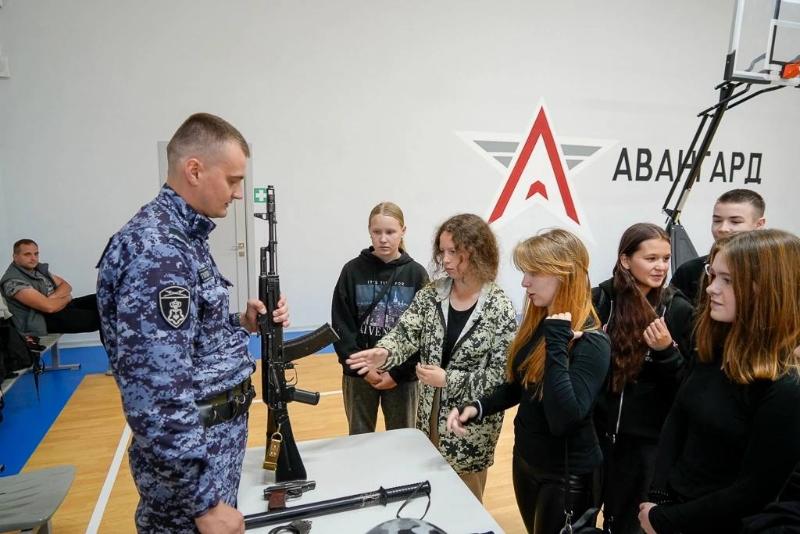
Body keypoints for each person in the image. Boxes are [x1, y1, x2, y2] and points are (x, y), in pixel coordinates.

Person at [96, 113, 289, 534]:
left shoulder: (185, 239)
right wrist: (203, 503)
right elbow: (157, 394)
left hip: (210, 452)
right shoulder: (159, 252)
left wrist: (241, 323)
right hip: (191, 478)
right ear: (195, 170)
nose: (239, 194)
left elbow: (188, 343)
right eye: (234, 180)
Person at [445, 228, 611, 534]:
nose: (524, 282)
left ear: (565, 275)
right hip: (526, 461)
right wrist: (478, 406)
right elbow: (521, 385)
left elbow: (564, 418)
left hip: (566, 476)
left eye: (534, 273)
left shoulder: (591, 342)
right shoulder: (540, 323)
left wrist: (558, 344)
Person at [638, 229, 800, 534]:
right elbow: (679, 418)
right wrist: (658, 498)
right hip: (673, 508)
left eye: (726, 280)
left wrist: (664, 520)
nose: (711, 289)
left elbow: (755, 492)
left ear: (764, 289)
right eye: (713, 276)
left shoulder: (786, 386)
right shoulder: (712, 349)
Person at [347, 213, 517, 502]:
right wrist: (384, 351)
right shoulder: (432, 294)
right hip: (428, 419)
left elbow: (500, 378)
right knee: (430, 499)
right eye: (443, 251)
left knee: (464, 505)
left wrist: (448, 380)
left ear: (476, 253)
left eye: (455, 252)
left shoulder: (499, 308)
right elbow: (406, 333)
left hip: (468, 430)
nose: (446, 260)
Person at [592, 223, 693, 534]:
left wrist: (666, 352)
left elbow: (688, 387)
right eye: (651, 259)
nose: (661, 267)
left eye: (665, 258)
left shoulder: (677, 308)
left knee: (627, 525)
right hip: (594, 437)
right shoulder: (600, 300)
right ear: (626, 261)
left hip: (645, 446)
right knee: (582, 518)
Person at [331, 201, 429, 435]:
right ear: (370, 232)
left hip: (401, 377)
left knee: (402, 437)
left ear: (403, 231)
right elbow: (341, 325)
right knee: (360, 436)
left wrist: (398, 373)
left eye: (390, 232)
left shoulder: (416, 274)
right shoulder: (352, 271)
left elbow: (423, 331)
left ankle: (400, 475)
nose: (383, 238)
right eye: (377, 232)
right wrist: (364, 369)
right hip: (359, 375)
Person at [670, 188, 765, 306]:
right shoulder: (690, 272)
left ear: (759, 224)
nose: (722, 228)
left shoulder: (775, 271)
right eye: (717, 220)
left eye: (735, 222)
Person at [1, 239, 100, 337]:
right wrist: (67, 298)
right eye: (27, 254)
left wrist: (52, 298)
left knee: (103, 299)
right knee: (100, 318)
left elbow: (66, 286)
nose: (33, 258)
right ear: (15, 256)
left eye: (36, 254)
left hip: (60, 307)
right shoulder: (13, 281)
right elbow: (49, 308)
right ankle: (113, 350)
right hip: (42, 319)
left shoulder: (37, 269)